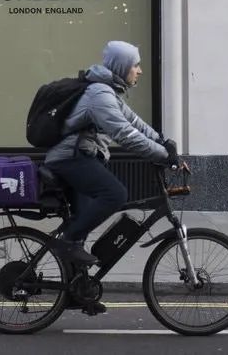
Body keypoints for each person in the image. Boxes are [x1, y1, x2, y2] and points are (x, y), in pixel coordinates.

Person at [44, 40, 178, 268]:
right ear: (122, 66)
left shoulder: (108, 91)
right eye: (136, 65)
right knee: (115, 194)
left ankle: (79, 294)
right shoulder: (100, 95)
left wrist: (164, 142)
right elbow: (125, 134)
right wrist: (162, 156)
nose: (140, 71)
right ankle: (67, 241)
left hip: (82, 157)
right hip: (70, 158)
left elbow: (135, 122)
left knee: (82, 226)